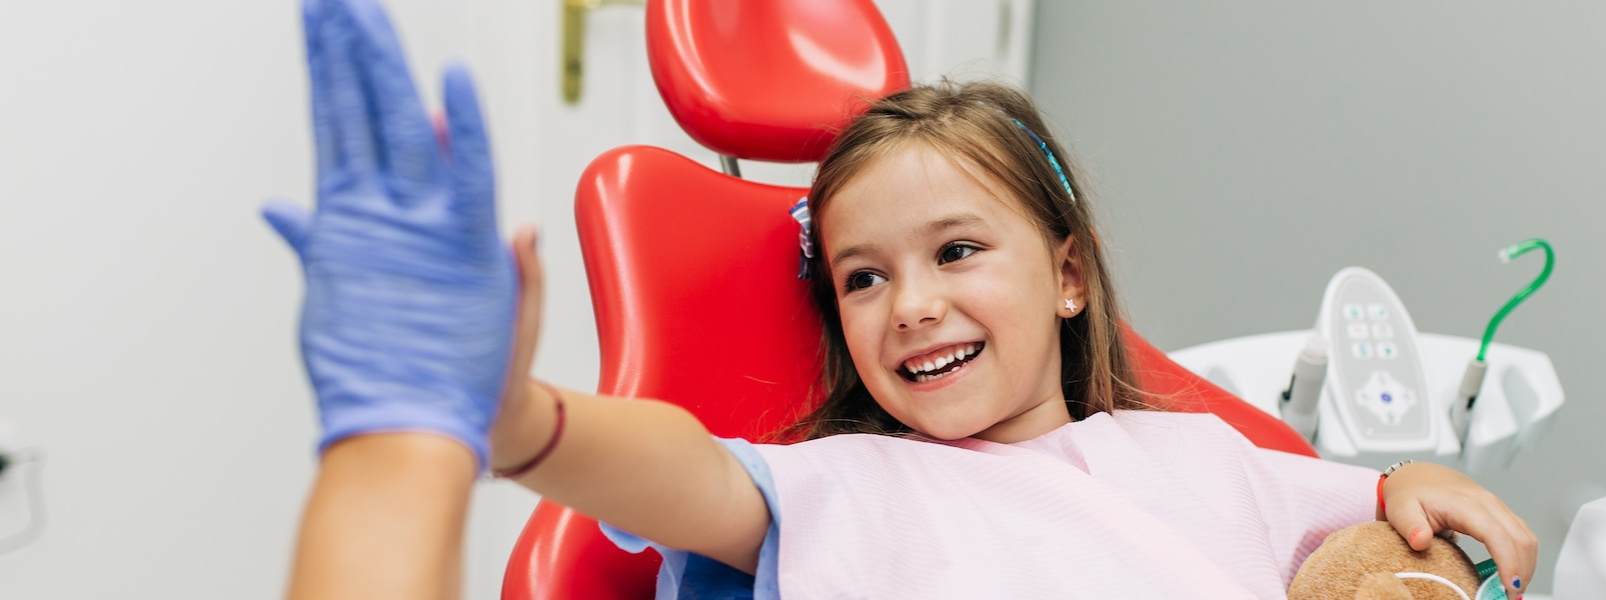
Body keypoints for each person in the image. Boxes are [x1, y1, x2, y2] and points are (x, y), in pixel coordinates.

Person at [274, 0, 1538, 598]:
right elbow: (685, 472)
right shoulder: (851, 485)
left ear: (1069, 275)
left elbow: (1370, 529)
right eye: (863, 279)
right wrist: (519, 423)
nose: (912, 305)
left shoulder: (1202, 455)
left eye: (957, 252)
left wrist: (1411, 482)